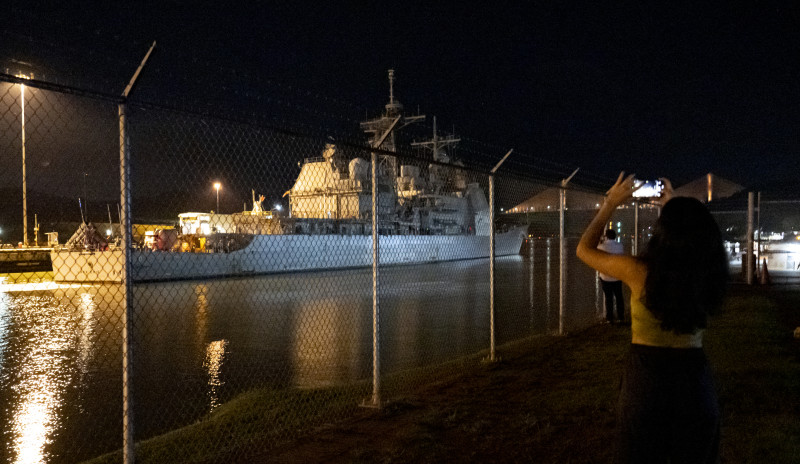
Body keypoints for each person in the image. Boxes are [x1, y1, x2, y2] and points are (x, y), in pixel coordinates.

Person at [576, 173, 728, 463]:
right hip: (695, 381)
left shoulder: (640, 272)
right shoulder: (708, 273)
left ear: (661, 232)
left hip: (647, 380)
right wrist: (674, 206)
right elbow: (690, 239)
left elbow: (584, 249)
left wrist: (610, 204)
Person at [598, 228, 626, 324]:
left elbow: (596, 248)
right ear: (615, 236)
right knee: (619, 297)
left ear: (606, 236)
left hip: (605, 276)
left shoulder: (601, 246)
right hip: (617, 276)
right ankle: (621, 317)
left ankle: (609, 318)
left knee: (608, 298)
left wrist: (601, 241)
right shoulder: (620, 246)